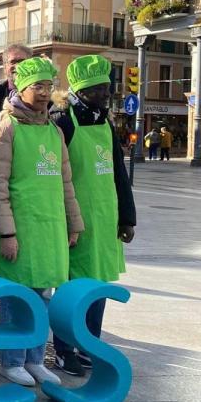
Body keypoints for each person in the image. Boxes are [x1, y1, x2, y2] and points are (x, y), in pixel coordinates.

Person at [0, 56, 84, 387]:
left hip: (49, 228)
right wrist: (7, 233)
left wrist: (73, 223)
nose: (44, 93)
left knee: (42, 294)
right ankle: (12, 360)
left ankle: (36, 358)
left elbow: (65, 183)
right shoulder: (5, 129)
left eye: (48, 86)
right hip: (20, 229)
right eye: (37, 87)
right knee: (17, 295)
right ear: (21, 89)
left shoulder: (54, 131)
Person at [49, 55, 136, 375]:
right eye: (100, 89)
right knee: (72, 286)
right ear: (82, 90)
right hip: (74, 218)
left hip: (104, 217)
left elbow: (118, 171)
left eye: (108, 89)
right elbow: (55, 172)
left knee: (97, 285)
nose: (107, 95)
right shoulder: (62, 119)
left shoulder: (104, 120)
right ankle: (63, 348)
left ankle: (89, 344)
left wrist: (127, 217)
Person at [0, 44, 33, 113]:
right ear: (5, 67)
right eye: (13, 62)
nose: (17, 66)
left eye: (22, 62)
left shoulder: (44, 99)